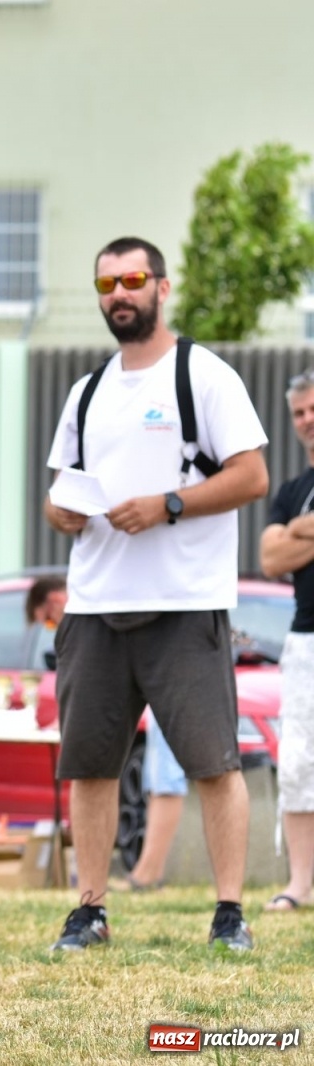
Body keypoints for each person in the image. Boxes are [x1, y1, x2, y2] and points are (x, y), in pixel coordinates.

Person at [42, 236, 268, 953]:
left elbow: (252, 476)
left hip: (185, 603)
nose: (119, 293)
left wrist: (167, 505)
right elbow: (57, 494)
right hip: (94, 605)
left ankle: (229, 912)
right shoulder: (87, 391)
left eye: (133, 279)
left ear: (162, 288)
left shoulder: (203, 376)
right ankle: (91, 910)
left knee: (213, 763)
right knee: (89, 764)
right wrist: (63, 513)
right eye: (106, 282)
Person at [26, 575, 182, 893]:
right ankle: (145, 870)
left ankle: (149, 872)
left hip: (167, 669)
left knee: (166, 778)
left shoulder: (89, 615)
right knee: (157, 779)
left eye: (48, 623)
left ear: (55, 601)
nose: (52, 628)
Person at [261, 369, 314, 912]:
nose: (307, 420)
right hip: (304, 643)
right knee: (298, 761)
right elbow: (270, 557)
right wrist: (300, 530)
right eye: (299, 412)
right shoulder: (292, 491)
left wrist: (297, 532)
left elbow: (285, 543)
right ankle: (300, 885)